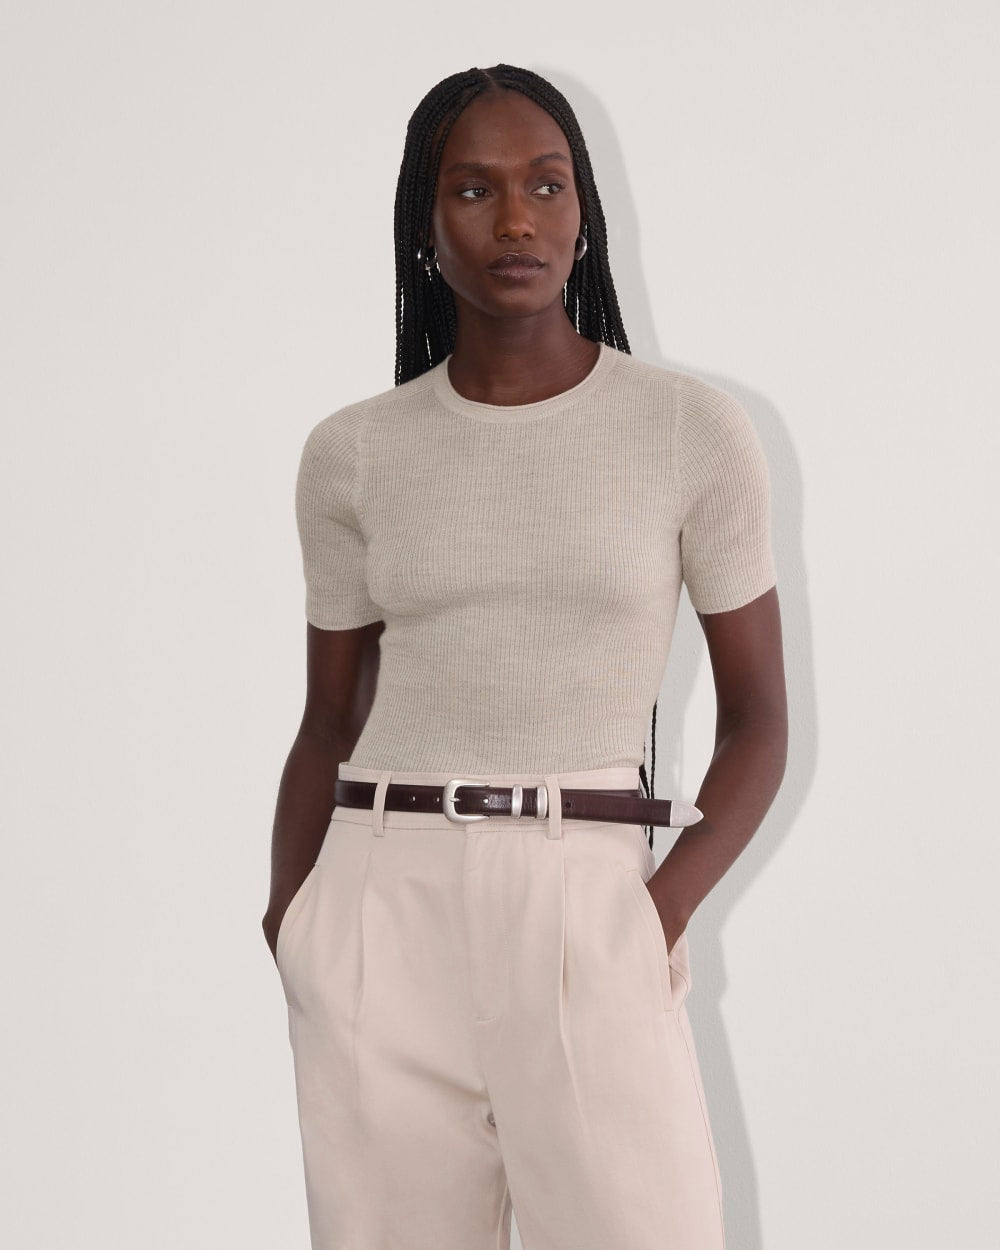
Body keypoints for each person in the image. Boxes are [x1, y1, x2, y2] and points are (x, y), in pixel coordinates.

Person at [263, 63, 787, 1250]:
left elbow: (759, 718)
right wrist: (292, 920)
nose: (516, 219)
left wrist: (655, 914)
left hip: (586, 892)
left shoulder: (687, 430)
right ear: (424, 223)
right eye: (474, 190)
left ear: (583, 214)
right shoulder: (354, 452)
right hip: (381, 901)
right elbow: (328, 716)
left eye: (546, 186)